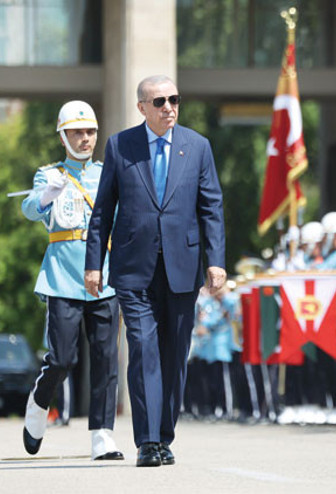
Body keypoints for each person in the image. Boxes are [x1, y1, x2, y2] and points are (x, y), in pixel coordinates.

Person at [84, 75, 226, 467]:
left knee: (175, 354)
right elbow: (103, 211)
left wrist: (216, 260)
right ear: (142, 107)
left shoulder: (198, 146)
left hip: (183, 266)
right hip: (133, 268)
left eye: (174, 100)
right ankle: (147, 441)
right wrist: (93, 264)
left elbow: (211, 207)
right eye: (159, 101)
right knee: (143, 348)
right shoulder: (120, 145)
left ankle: (164, 436)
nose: (168, 108)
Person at [20, 100, 124, 461]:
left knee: (106, 357)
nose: (85, 138)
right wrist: (47, 194)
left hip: (104, 277)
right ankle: (38, 404)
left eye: (90, 131)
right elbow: (28, 208)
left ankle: (102, 435)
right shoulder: (48, 174)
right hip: (63, 277)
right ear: (62, 137)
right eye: (77, 132)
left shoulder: (108, 172)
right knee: (62, 358)